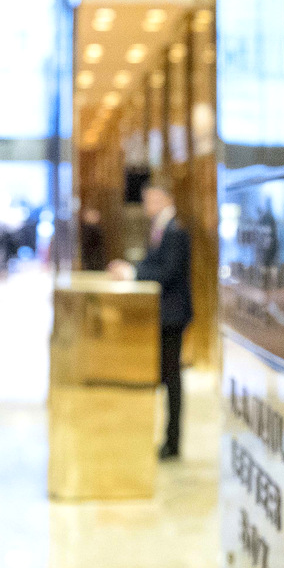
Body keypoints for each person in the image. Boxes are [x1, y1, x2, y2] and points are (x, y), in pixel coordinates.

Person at [109, 182, 192, 460]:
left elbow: (168, 271)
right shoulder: (160, 228)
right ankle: (166, 439)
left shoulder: (175, 230)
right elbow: (153, 263)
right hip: (162, 313)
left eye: (152, 199)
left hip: (173, 314)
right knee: (167, 376)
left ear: (165, 198)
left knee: (172, 378)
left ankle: (173, 442)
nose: (147, 205)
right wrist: (131, 269)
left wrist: (133, 273)